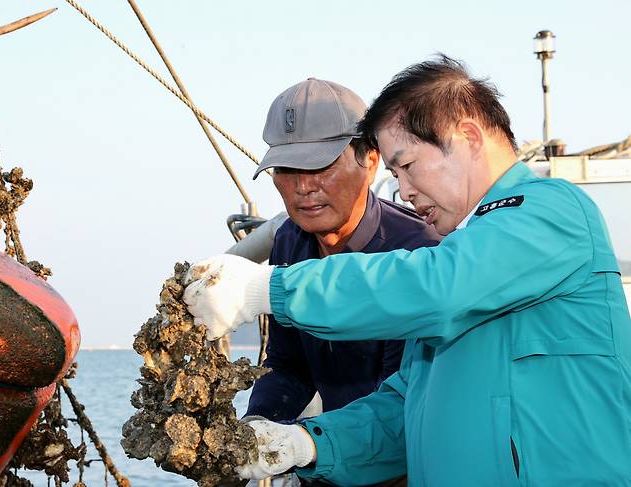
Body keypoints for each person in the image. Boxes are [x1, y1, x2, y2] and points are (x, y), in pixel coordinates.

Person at [184, 56, 631, 486]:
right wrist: (305, 444)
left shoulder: (551, 211)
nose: (404, 190)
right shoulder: (465, 253)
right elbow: (404, 408)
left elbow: (437, 286)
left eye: (408, 166)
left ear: (468, 138)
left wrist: (268, 290)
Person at [245, 78, 440, 486]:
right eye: (286, 169)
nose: (303, 186)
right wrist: (257, 425)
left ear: (369, 158)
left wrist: (302, 445)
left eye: (319, 166)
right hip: (325, 460)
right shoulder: (288, 241)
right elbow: (288, 364)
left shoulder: (419, 251)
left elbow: (401, 407)